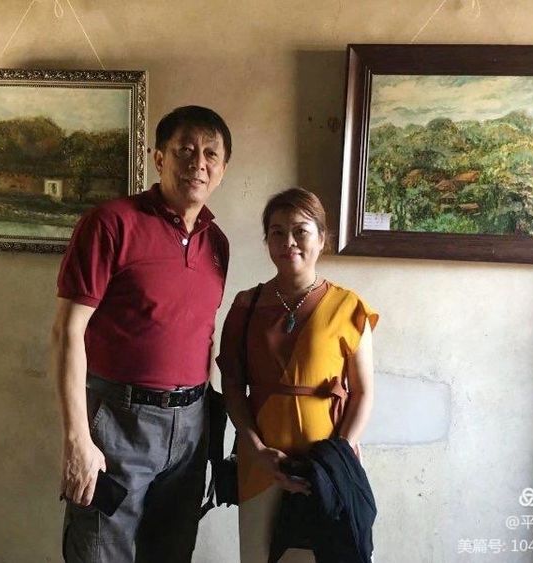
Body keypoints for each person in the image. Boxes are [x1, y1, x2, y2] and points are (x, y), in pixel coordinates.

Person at [51, 105, 231, 563]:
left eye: (211, 154)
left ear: (223, 169)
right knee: (98, 551)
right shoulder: (111, 223)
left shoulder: (217, 244)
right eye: (185, 150)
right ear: (159, 158)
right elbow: (68, 332)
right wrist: (77, 440)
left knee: (171, 553)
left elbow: (201, 337)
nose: (198, 163)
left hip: (191, 427)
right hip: (118, 423)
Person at [218, 188, 378, 562]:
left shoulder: (348, 306)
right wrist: (257, 451)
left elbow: (363, 392)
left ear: (321, 238)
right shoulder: (245, 305)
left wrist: (340, 454)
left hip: (326, 469)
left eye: (300, 231)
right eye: (277, 232)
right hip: (260, 465)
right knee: (260, 555)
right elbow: (232, 386)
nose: (288, 242)